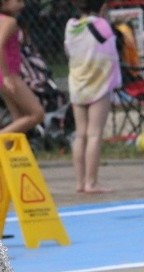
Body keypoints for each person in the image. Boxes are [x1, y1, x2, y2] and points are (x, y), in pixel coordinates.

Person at [65, 0, 120, 193]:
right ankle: (91, 182)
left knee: (80, 134)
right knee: (94, 134)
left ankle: (80, 182)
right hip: (99, 85)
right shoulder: (102, 25)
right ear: (103, 6)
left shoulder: (70, 26)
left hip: (78, 85)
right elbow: (111, 53)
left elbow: (69, 50)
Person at [0, 0, 44, 143]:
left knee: (18, 118)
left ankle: (8, 154)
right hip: (8, 75)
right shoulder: (10, 22)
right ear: (3, 4)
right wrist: (6, 76)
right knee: (37, 114)